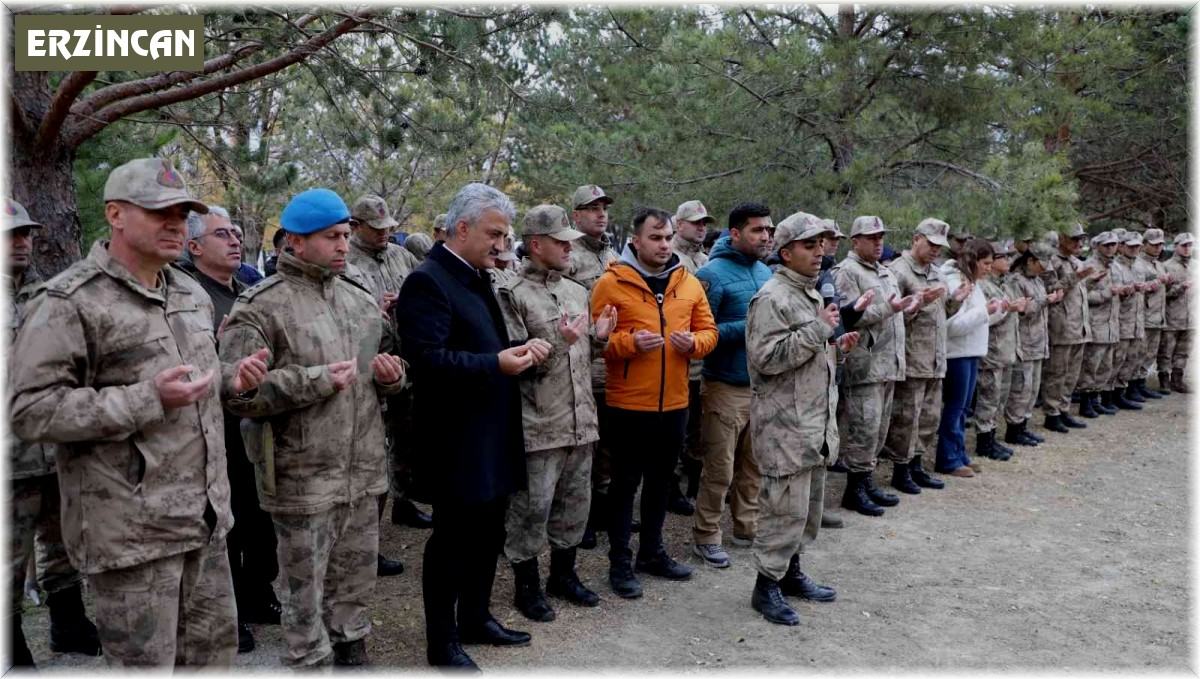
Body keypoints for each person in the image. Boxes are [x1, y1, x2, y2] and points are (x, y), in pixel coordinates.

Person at [10, 158, 269, 667]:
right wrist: (146, 398)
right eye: (159, 212)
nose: (176, 225)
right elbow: (30, 411)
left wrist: (229, 379)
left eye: (182, 214)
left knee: (213, 662)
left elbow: (192, 379)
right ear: (116, 215)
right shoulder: (69, 301)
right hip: (133, 536)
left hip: (205, 521)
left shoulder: (189, 292)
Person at [219, 188, 405, 668]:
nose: (343, 245)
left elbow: (379, 367)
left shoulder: (358, 299)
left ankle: (351, 645)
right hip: (302, 475)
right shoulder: (261, 306)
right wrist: (314, 381)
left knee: (357, 573)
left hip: (362, 468)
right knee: (303, 586)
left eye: (345, 235)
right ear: (296, 241)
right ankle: (307, 659)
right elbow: (237, 394)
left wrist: (392, 377)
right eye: (331, 237)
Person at [395, 183, 550, 669]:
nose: (503, 245)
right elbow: (425, 360)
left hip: (493, 430)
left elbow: (482, 343)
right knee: (453, 540)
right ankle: (442, 643)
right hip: (456, 438)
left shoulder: (477, 275)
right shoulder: (428, 280)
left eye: (505, 235)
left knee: (488, 532)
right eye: (494, 234)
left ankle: (476, 618)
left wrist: (516, 353)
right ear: (461, 229)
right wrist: (495, 364)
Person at [590, 205, 718, 599]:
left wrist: (693, 344)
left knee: (661, 482)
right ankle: (619, 561)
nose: (664, 245)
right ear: (636, 241)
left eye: (667, 238)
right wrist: (630, 343)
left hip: (675, 402)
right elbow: (597, 342)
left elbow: (709, 332)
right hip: (629, 404)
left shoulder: (688, 282)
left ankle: (651, 552)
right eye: (655, 238)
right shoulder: (611, 283)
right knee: (625, 484)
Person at [496, 205, 618, 622]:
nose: (569, 248)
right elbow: (517, 362)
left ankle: (563, 576)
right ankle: (526, 586)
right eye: (560, 242)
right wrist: (560, 340)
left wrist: (598, 339)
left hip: (580, 420)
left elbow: (581, 355)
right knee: (532, 510)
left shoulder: (575, 291)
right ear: (535, 245)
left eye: (570, 241)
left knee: (575, 505)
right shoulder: (512, 294)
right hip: (540, 424)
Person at [744, 214, 859, 626]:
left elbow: (811, 358)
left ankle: (790, 573)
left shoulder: (809, 294)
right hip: (784, 426)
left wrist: (837, 348)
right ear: (786, 252)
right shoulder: (772, 297)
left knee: (807, 510)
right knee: (782, 510)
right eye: (809, 246)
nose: (819, 252)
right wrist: (818, 331)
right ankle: (766, 586)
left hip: (813, 423)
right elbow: (766, 359)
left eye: (821, 245)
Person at [179, 206, 281, 654]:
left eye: (236, 233)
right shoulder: (189, 295)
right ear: (195, 247)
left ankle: (258, 592)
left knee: (260, 517)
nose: (235, 240)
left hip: (254, 422)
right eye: (222, 234)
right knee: (230, 522)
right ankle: (233, 608)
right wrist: (218, 347)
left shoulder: (246, 290)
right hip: (214, 428)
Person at [5, 199, 101, 668]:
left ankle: (68, 623)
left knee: (62, 538)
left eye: (25, 233)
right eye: (9, 234)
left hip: (55, 445)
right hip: (10, 455)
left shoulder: (45, 295)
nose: (20, 242)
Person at [344, 195, 433, 568]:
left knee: (407, 438)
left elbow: (424, 289)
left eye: (388, 228)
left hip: (405, 363)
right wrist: (373, 312)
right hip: (368, 367)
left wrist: (406, 300)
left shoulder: (401, 256)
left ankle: (404, 503)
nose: (384, 234)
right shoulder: (346, 262)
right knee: (373, 454)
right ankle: (368, 543)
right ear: (355, 226)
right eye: (376, 228)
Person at [689, 203, 774, 568]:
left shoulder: (765, 271)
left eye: (768, 230)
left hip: (761, 386)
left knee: (753, 466)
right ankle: (707, 535)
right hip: (724, 386)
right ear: (735, 233)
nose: (765, 236)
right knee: (719, 469)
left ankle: (746, 526)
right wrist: (751, 325)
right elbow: (700, 333)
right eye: (757, 230)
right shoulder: (710, 274)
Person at [831, 216, 919, 515]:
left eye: (881, 237)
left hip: (887, 362)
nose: (878, 242)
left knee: (879, 428)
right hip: (865, 364)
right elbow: (849, 316)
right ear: (855, 241)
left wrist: (906, 308)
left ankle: (866, 481)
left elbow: (893, 316)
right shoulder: (847, 271)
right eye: (871, 237)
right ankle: (854, 489)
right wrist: (889, 308)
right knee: (863, 427)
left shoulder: (884, 271)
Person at [567, 185, 620, 550]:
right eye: (592, 208)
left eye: (604, 207)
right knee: (586, 444)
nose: (601, 213)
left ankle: (603, 509)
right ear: (576, 215)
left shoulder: (614, 256)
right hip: (584, 366)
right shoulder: (568, 256)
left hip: (614, 365)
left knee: (610, 445)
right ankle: (581, 517)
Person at [885, 219, 956, 490]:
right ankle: (900, 469)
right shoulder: (898, 271)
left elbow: (942, 313)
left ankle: (916, 464)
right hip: (911, 356)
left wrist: (956, 300)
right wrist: (917, 305)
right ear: (916, 239)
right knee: (907, 418)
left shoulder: (937, 273)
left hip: (935, 358)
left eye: (940, 246)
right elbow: (890, 317)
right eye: (932, 244)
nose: (936, 250)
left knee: (929, 417)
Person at [937, 238, 1005, 477]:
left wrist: (998, 310)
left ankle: (959, 453)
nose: (989, 268)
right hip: (957, 354)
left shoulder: (973, 282)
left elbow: (979, 320)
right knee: (955, 408)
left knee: (964, 408)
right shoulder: (956, 282)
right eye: (985, 263)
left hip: (971, 352)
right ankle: (948, 458)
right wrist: (984, 311)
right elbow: (953, 326)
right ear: (973, 260)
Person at [667, 200, 715, 517]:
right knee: (676, 428)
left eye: (704, 223)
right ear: (679, 224)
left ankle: (694, 483)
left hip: (702, 358)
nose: (701, 227)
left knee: (697, 426)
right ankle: (670, 487)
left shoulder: (705, 259)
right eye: (695, 222)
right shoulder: (670, 259)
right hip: (676, 357)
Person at [1002, 241, 1061, 447]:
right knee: (1021, 388)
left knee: (1033, 388)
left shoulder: (1037, 280)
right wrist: (1045, 301)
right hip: (1024, 343)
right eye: (1040, 264)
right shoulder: (1015, 281)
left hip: (1038, 341)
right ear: (1030, 260)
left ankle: (1023, 426)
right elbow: (1022, 310)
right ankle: (1013, 428)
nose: (1043, 269)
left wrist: (1051, 299)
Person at [973, 240, 1027, 461]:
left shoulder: (1002, 283)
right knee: (988, 398)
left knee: (999, 398)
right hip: (992, 351)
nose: (1008, 260)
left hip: (1005, 349)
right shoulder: (983, 285)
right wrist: (1009, 309)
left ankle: (992, 437)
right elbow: (983, 318)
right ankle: (984, 442)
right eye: (1003, 257)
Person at [1040, 222, 1095, 433]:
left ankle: (1063, 409)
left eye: (1080, 238)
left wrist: (1087, 279)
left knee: (1072, 374)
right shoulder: (1051, 261)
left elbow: (1079, 292)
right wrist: (1076, 277)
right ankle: (1052, 413)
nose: (1078, 242)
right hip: (1061, 327)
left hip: (1079, 326)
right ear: (1061, 238)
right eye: (1074, 238)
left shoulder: (1075, 261)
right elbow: (1051, 289)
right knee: (1057, 373)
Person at [1077, 232, 1124, 417]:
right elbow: (1082, 295)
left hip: (1111, 323)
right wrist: (1106, 294)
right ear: (1097, 246)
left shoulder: (1115, 265)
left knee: (1105, 366)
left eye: (1113, 244)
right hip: (1095, 323)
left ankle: (1096, 400)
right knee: (1091, 365)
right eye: (1106, 245)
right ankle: (1085, 402)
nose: (1111, 248)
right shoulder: (1089, 266)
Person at [1113, 232, 1155, 404]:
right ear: (1121, 246)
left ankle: (1124, 392)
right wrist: (1127, 290)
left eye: (1137, 246)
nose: (1134, 249)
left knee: (1133, 358)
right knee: (1118, 359)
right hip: (1121, 320)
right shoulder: (1115, 266)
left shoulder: (1139, 266)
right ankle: (1111, 395)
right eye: (1130, 246)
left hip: (1137, 319)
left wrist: (1148, 287)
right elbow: (1113, 292)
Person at [1134, 229, 1172, 394]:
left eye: (1160, 245)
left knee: (1150, 354)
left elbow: (1164, 291)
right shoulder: (1137, 264)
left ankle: (1141, 384)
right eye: (1154, 244)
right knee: (1139, 354)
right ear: (1144, 245)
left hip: (1158, 317)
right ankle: (1133, 387)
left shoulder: (1159, 265)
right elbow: (1136, 287)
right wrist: (1154, 282)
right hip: (1143, 316)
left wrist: (1169, 282)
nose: (1158, 248)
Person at [1160, 232, 1194, 393]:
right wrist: (1180, 288)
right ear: (1175, 246)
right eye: (1183, 245)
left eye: (1189, 245)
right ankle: (1164, 379)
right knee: (1166, 350)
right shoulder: (1166, 266)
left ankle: (1177, 379)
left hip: (1192, 317)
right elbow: (1162, 294)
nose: (1187, 248)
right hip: (1172, 316)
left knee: (1184, 351)